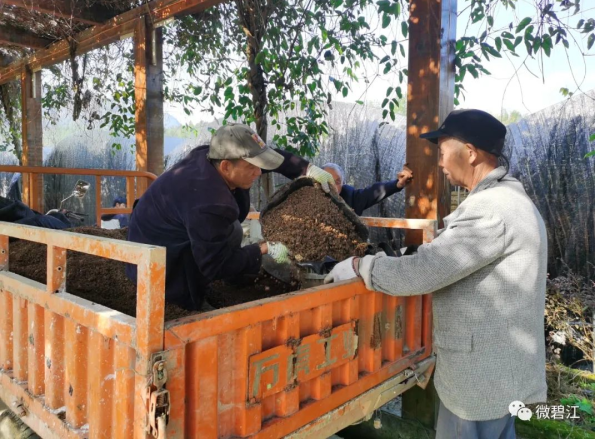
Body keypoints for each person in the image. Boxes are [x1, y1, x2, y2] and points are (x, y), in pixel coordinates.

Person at [325, 109, 547, 438]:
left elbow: (425, 273)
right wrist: (407, 254)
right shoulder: (509, 199)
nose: (440, 162)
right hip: (501, 372)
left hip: (479, 381)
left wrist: (361, 266)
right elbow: (454, 257)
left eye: (443, 153)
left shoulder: (491, 209)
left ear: (470, 153)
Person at [126, 123, 335, 310]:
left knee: (233, 230)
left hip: (164, 226)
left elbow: (265, 157)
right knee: (191, 291)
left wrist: (307, 169)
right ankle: (189, 303)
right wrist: (265, 248)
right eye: (251, 167)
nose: (258, 172)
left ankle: (234, 275)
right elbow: (214, 265)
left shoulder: (211, 157)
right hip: (156, 260)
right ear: (226, 166)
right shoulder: (208, 203)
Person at [322, 162, 413, 215]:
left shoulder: (351, 197)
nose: (332, 186)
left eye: (337, 182)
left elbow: (373, 192)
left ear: (343, 183)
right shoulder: (310, 195)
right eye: (328, 180)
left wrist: (397, 184)